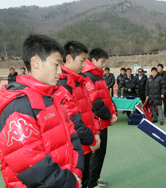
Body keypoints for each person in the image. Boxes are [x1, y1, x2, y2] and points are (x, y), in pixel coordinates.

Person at [0, 34, 84, 188]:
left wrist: (76, 171)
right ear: (35, 62)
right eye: (56, 65)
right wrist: (70, 181)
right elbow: (32, 165)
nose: (60, 72)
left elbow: (72, 137)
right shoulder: (18, 107)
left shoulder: (53, 97)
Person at [58, 41, 101, 188]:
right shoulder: (64, 84)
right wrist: (92, 139)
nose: (84, 64)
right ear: (69, 59)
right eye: (82, 60)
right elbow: (73, 119)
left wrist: (95, 133)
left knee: (86, 180)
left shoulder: (80, 80)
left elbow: (90, 109)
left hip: (87, 142)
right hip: (78, 146)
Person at [82, 47, 118, 188]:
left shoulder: (99, 76)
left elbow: (107, 98)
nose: (104, 65)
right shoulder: (88, 77)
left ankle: (95, 178)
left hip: (104, 122)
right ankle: (91, 183)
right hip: (96, 122)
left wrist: (113, 112)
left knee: (101, 153)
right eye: (102, 61)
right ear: (94, 60)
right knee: (94, 155)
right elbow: (95, 102)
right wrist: (110, 116)